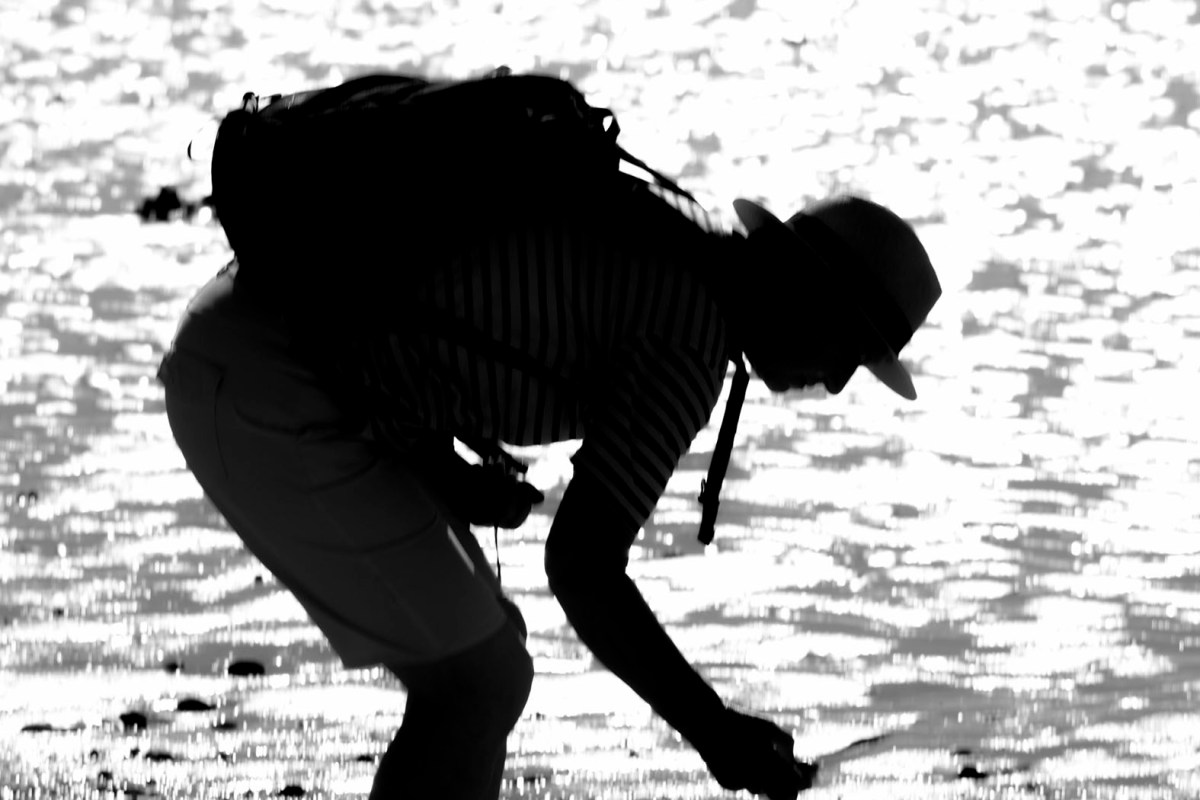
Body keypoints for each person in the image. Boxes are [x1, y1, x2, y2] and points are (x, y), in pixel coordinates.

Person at [156, 173, 940, 799]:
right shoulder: (688, 338)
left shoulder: (679, 237)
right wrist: (714, 732)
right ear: (809, 295)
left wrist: (451, 477)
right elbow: (583, 566)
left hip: (249, 328)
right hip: (270, 376)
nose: (838, 382)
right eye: (851, 351)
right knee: (477, 681)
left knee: (486, 664)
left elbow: (422, 321)